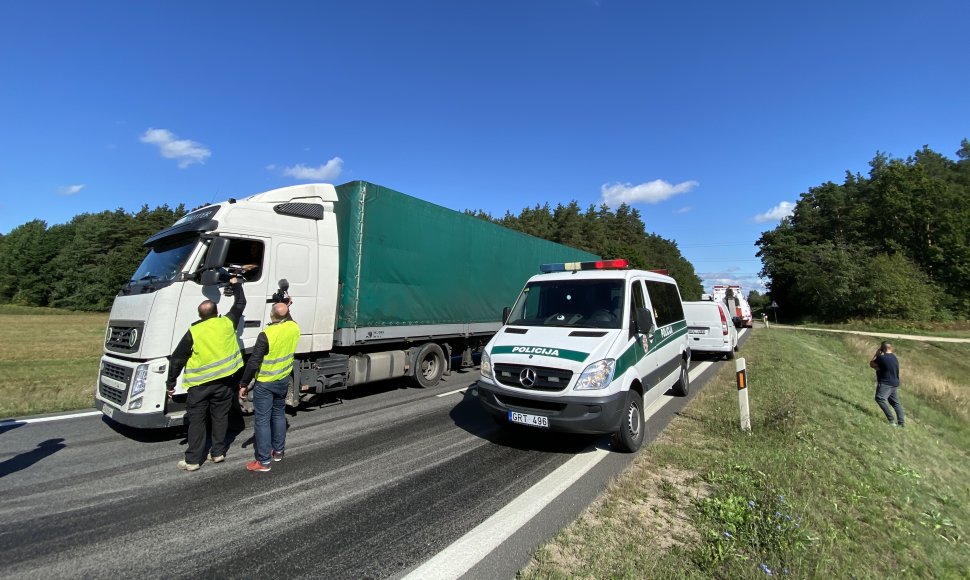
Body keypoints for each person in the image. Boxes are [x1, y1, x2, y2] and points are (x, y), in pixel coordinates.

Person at [167, 277, 247, 471]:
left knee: (197, 421)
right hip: (224, 384)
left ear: (200, 315)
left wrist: (170, 383)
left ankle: (193, 460)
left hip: (200, 386)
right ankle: (218, 453)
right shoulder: (227, 323)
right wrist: (236, 284)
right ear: (217, 312)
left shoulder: (194, 331)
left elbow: (178, 359)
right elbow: (240, 303)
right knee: (220, 418)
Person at [238, 301, 300, 472]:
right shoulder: (294, 328)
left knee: (262, 421)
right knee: (279, 414)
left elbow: (253, 362)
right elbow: (289, 319)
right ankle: (278, 452)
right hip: (282, 380)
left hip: (265, 383)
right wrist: (287, 306)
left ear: (271, 315)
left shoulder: (266, 335)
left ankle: (263, 461)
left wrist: (243, 384)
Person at [869, 341, 904, 427]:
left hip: (886, 383)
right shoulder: (894, 357)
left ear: (882, 348)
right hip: (894, 382)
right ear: (891, 348)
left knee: (879, 398)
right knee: (895, 403)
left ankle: (891, 420)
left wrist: (876, 354)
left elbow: (871, 364)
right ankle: (901, 422)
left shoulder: (881, 358)